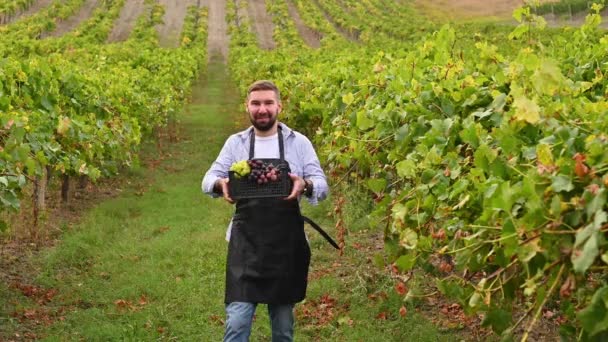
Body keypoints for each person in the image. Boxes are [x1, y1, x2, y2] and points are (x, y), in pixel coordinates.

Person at [201, 80, 329, 342]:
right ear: (247, 107)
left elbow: (322, 185)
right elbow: (207, 180)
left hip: (286, 245)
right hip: (245, 246)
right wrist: (220, 182)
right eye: (256, 103)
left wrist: (304, 184)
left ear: (279, 106)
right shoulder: (236, 143)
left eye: (268, 103)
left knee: (283, 328)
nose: (262, 109)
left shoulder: (299, 143)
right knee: (237, 322)